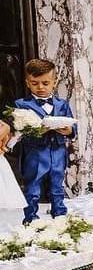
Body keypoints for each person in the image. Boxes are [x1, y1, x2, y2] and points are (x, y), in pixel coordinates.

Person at [15, 59, 76, 224]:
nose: (40, 87)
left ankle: (60, 213)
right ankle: (31, 217)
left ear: (54, 82)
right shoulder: (22, 104)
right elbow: (18, 130)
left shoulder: (62, 104)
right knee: (32, 186)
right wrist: (36, 131)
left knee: (57, 184)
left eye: (45, 83)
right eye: (35, 83)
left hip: (57, 150)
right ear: (27, 83)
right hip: (35, 153)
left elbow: (72, 126)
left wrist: (69, 130)